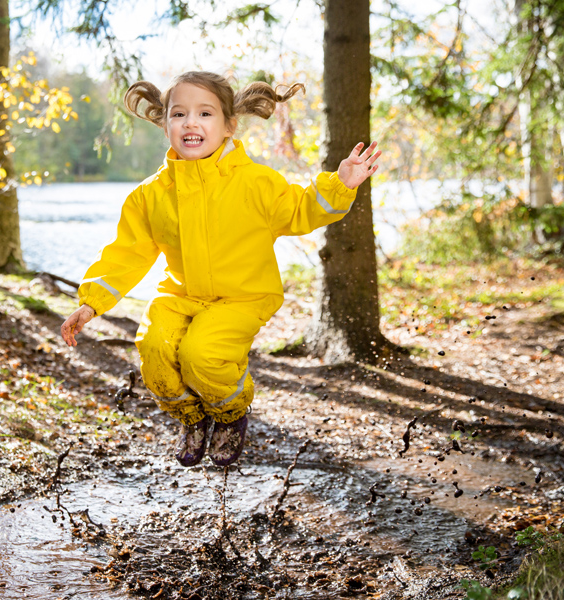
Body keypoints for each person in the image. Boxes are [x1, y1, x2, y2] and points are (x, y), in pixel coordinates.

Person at [60, 71, 380, 468]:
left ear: (229, 126)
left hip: (242, 296)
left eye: (205, 113)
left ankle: (230, 414)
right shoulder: (150, 195)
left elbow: (300, 211)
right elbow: (126, 254)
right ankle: (191, 418)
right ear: (166, 125)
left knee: (201, 355)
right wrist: (91, 303)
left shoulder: (255, 182)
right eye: (179, 114)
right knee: (155, 350)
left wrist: (340, 184)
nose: (191, 122)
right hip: (180, 296)